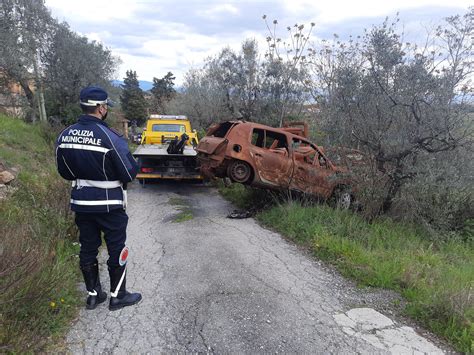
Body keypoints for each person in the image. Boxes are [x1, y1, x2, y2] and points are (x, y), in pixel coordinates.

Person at [55, 86, 142, 311]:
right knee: (116, 248)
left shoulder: (65, 135)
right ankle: (117, 296)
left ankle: (94, 296)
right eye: (106, 107)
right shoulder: (110, 137)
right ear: (101, 108)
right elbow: (128, 173)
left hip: (81, 204)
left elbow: (64, 172)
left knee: (88, 247)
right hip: (109, 205)